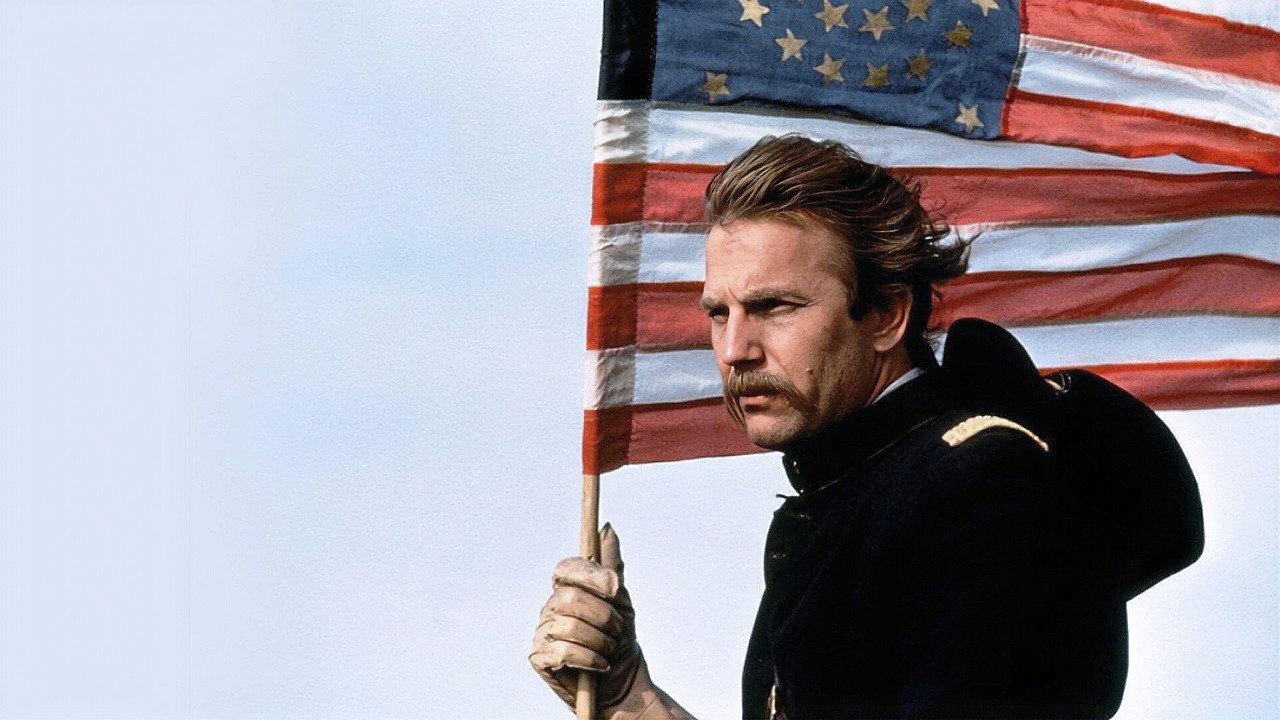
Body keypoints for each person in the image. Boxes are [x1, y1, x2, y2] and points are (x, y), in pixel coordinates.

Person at [529, 135, 1203, 719]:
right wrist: (629, 698)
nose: (734, 350)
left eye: (774, 306)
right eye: (718, 313)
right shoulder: (862, 494)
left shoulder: (977, 486)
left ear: (885, 315)